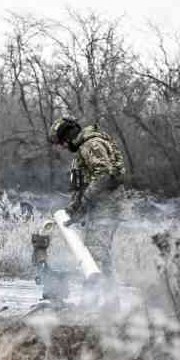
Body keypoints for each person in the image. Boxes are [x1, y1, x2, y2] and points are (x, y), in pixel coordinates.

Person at [48, 115, 126, 280]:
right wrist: (73, 207)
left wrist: (83, 204)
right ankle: (107, 299)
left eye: (62, 141)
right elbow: (86, 183)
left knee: (95, 253)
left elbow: (103, 176)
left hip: (107, 206)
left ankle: (98, 299)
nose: (62, 146)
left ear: (68, 136)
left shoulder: (91, 145)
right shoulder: (85, 148)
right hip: (100, 205)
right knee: (96, 253)